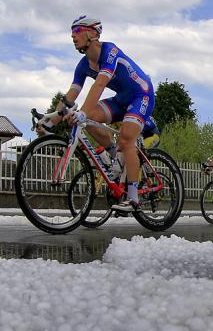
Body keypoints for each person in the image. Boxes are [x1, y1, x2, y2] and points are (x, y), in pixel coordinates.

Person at [40, 15, 155, 212]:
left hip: (141, 95)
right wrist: (51, 120)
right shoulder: (83, 65)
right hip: (122, 99)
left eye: (77, 31)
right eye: (71, 32)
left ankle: (134, 199)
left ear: (93, 33)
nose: (72, 36)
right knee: (89, 118)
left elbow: (100, 84)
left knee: (127, 139)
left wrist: (82, 112)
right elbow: (70, 97)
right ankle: (113, 153)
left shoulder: (110, 51)